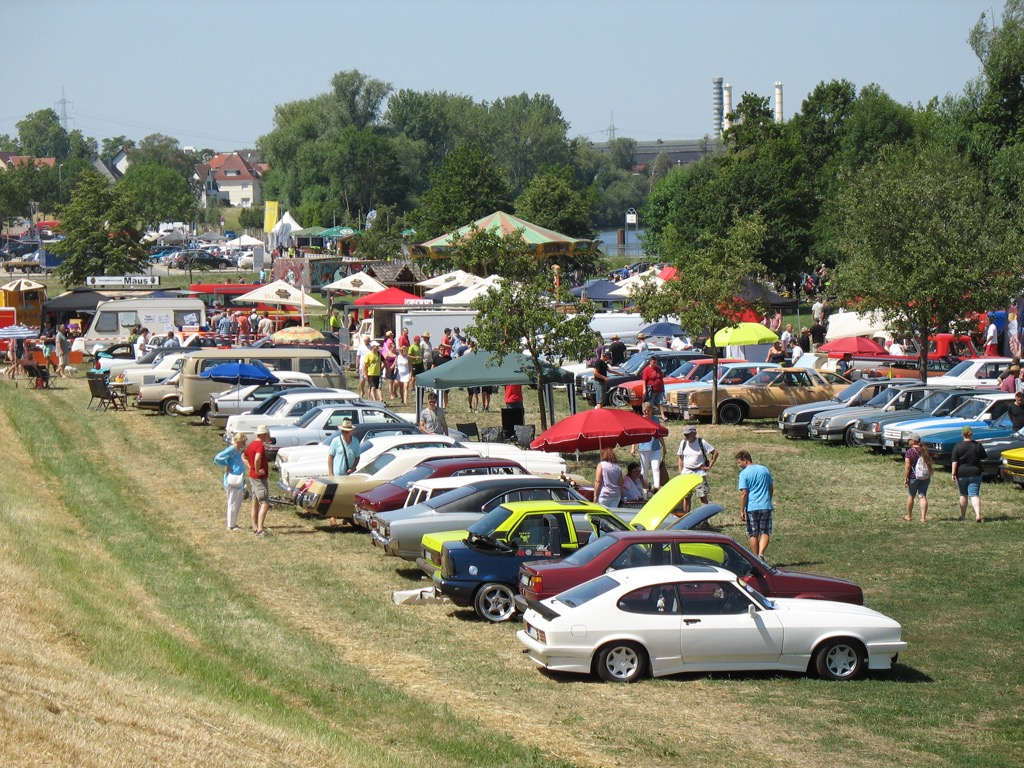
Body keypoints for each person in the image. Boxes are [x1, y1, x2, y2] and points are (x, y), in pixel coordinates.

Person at [736, 450, 774, 558]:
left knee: (753, 533)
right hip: (765, 505)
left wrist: (742, 510)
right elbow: (771, 487)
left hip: (752, 507)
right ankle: (761, 554)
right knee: (765, 531)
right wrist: (768, 500)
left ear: (745, 460)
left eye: (739, 462)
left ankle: (756, 557)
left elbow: (744, 493)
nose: (739, 465)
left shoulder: (744, 474)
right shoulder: (764, 469)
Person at [677, 425, 717, 514]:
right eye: (685, 434)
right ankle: (685, 518)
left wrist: (709, 466)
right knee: (686, 497)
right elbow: (680, 457)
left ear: (694, 433)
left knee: (703, 497)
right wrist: (681, 471)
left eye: (688, 434)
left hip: (699, 474)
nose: (686, 436)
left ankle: (705, 520)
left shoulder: (701, 442)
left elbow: (715, 453)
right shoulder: (683, 443)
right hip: (686, 474)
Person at [951, 425, 987, 523]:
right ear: (971, 434)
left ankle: (963, 516)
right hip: (975, 472)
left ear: (962, 434)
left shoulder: (958, 445)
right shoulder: (977, 445)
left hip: (961, 473)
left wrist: (953, 473)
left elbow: (954, 461)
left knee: (963, 495)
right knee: (974, 495)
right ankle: (978, 514)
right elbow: (984, 456)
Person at [214, 433, 248, 531]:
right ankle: (231, 525)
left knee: (236, 502)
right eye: (243, 442)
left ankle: (233, 522)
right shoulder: (231, 450)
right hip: (233, 479)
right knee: (232, 502)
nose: (244, 444)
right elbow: (218, 458)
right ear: (238, 441)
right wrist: (226, 465)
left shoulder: (238, 450)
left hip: (238, 479)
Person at [243, 425, 272, 535]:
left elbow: (243, 456)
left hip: (252, 477)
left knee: (255, 502)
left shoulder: (252, 445)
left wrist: (251, 467)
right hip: (259, 478)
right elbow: (258, 458)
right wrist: (257, 469)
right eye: (267, 435)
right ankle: (260, 529)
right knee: (265, 503)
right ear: (264, 434)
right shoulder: (260, 446)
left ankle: (254, 526)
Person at [631, 400, 666, 490]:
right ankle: (644, 487)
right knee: (644, 470)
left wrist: (664, 447)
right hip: (643, 448)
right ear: (642, 410)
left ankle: (656, 487)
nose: (646, 412)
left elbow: (659, 435)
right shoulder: (640, 420)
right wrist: (633, 447)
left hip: (655, 447)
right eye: (645, 410)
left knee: (655, 467)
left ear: (651, 410)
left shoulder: (656, 420)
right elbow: (636, 435)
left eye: (648, 410)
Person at [903, 432, 932, 523]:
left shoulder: (909, 452)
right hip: (925, 476)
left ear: (912, 441)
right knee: (922, 496)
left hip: (913, 476)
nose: (908, 441)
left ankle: (909, 516)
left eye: (909, 440)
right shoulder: (925, 450)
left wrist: (906, 478)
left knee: (911, 496)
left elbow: (908, 466)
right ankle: (923, 518)